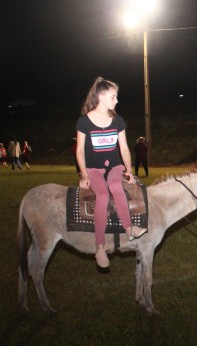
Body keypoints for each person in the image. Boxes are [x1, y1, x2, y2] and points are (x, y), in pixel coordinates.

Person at [75, 76, 147, 268]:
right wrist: (84, 174)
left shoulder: (117, 121)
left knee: (116, 186)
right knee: (102, 195)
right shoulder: (84, 122)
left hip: (115, 166)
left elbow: (123, 149)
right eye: (113, 97)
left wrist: (129, 170)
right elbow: (80, 150)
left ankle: (129, 229)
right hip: (93, 169)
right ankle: (99, 247)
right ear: (101, 96)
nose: (117, 100)